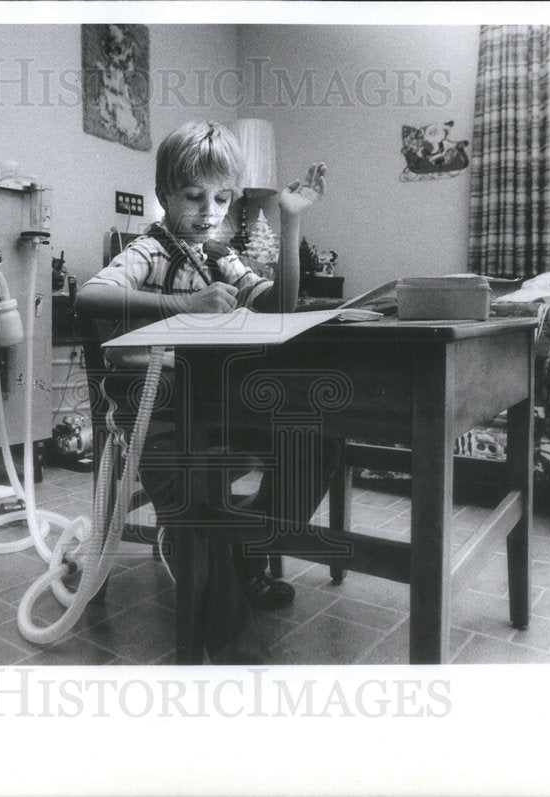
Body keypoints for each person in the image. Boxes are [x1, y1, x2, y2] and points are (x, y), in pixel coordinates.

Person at [76, 120, 336, 663]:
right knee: (193, 492)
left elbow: (280, 305)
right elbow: (91, 296)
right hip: (159, 411)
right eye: (194, 197)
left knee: (316, 446)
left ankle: (239, 563)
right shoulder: (151, 250)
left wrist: (289, 223)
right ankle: (232, 641)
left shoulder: (219, 255)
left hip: (220, 405)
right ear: (165, 193)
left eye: (221, 198)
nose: (210, 211)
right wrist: (182, 306)